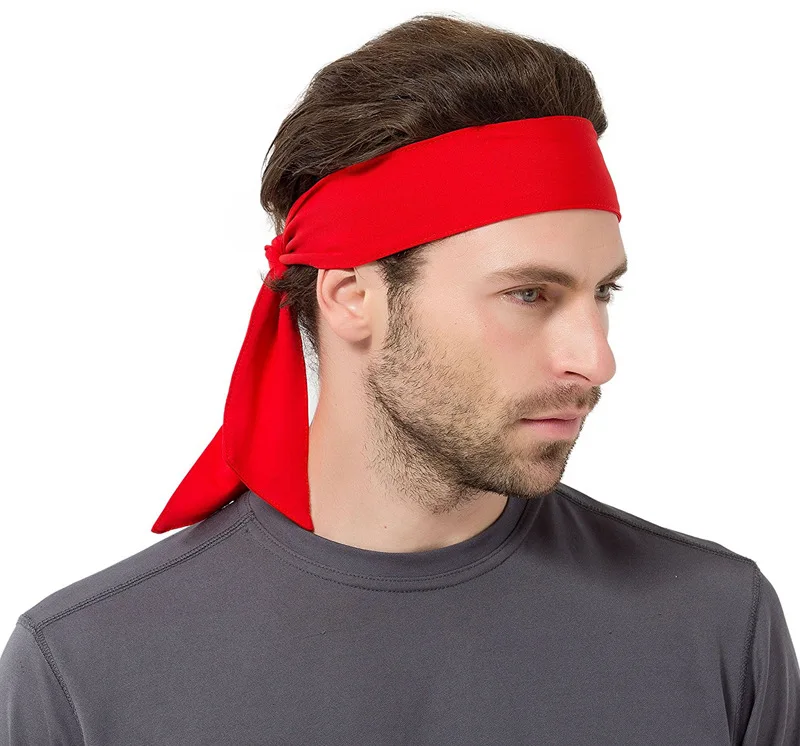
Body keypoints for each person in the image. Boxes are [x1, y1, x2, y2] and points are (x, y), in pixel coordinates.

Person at [1, 13, 797, 745]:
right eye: (530, 294)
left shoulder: (718, 627)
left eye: (604, 294)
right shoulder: (85, 672)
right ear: (353, 297)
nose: (596, 359)